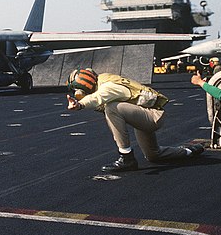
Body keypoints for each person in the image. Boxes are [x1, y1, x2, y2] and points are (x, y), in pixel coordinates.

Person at [66, 68, 205, 172]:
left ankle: (127, 158)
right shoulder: (105, 80)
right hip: (146, 115)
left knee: (112, 108)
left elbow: (97, 98)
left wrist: (80, 104)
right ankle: (189, 151)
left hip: (152, 116)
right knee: (153, 155)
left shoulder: (107, 87)